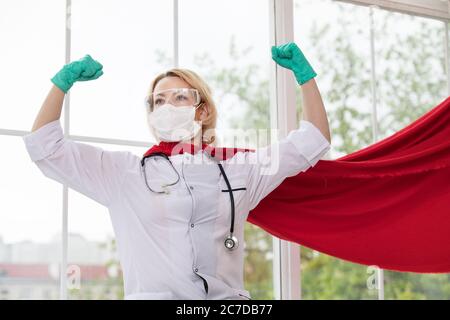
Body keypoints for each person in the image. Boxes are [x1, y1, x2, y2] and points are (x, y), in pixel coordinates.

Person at [23, 42, 331, 300]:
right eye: (159, 101)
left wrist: (305, 77)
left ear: (204, 110)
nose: (167, 106)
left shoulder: (239, 170)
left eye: (180, 97)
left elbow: (313, 139)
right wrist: (61, 83)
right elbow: (45, 147)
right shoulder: (123, 174)